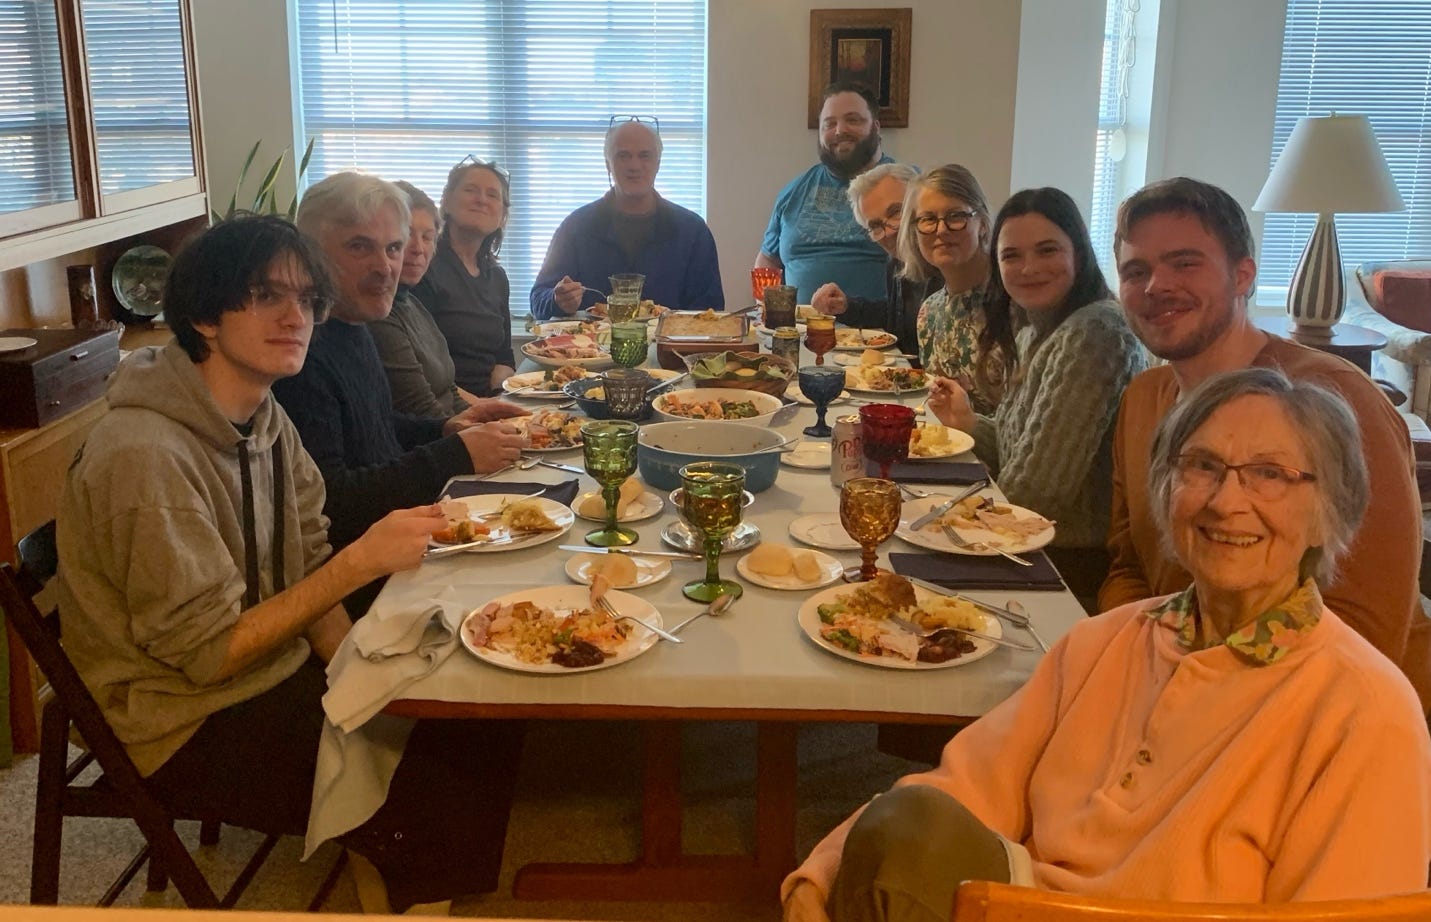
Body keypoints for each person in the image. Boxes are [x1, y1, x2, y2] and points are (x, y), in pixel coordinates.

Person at [783, 369, 1431, 922]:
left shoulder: (1364, 712)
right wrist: (824, 872)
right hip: (1021, 900)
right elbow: (966, 785)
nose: (1226, 501)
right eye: (1202, 466)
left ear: (1329, 511)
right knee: (909, 825)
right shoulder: (1103, 643)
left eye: (1269, 474)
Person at [54, 215, 525, 913]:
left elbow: (305, 560)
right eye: (265, 295)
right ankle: (407, 879)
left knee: (475, 708)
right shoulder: (145, 457)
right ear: (205, 317)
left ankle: (405, 874)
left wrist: (357, 673)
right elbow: (207, 656)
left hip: (270, 664)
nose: (294, 317)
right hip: (180, 718)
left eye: (305, 299)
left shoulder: (265, 418)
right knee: (439, 771)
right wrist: (358, 564)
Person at [1098, 177, 1431, 711]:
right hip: (1166, 687)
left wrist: (1200, 695)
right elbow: (1128, 567)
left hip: (1328, 717)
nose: (1157, 285)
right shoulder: (1142, 399)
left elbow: (1371, 622)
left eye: (1185, 263)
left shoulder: (1335, 401)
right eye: (1136, 271)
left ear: (1244, 275)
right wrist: (1142, 664)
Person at [273, 171, 527, 556]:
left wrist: (444, 428)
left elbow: (374, 428)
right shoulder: (299, 354)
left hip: (401, 536)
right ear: (311, 255)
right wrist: (454, 453)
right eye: (359, 247)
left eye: (393, 248)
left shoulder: (354, 324)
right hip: (367, 566)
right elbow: (332, 500)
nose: (385, 267)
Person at [927, 188, 1146, 606]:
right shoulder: (1035, 328)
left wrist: (945, 517)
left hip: (1067, 567)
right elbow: (1023, 451)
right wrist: (969, 423)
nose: (1029, 268)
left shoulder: (1095, 332)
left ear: (1078, 252)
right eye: (1011, 256)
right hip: (1031, 544)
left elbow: (1035, 496)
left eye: (1048, 250)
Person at [530, 117, 724, 318]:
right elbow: (538, 299)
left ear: (658, 164)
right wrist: (557, 301)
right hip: (591, 339)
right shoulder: (576, 227)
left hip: (669, 339)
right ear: (608, 164)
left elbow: (710, 312)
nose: (634, 165)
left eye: (644, 155)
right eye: (623, 156)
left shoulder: (692, 231)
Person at [757, 82, 894, 303]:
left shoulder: (906, 187)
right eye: (829, 124)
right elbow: (768, 261)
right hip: (799, 324)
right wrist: (769, 312)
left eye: (853, 120)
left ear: (876, 127)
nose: (840, 130)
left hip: (879, 324)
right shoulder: (793, 193)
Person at [897, 164, 1001, 414]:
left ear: (982, 223)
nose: (941, 230)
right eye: (928, 219)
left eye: (956, 216)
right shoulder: (929, 313)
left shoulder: (1015, 302)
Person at [809, 162, 940, 359]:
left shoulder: (949, 265)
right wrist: (846, 306)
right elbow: (896, 318)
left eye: (896, 212)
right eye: (876, 225)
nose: (889, 231)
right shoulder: (896, 263)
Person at [410, 158, 518, 396]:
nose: (481, 200)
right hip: (442, 406)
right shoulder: (422, 268)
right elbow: (420, 372)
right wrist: (482, 408)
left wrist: (499, 396)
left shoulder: (498, 277)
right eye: (471, 190)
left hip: (490, 402)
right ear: (446, 201)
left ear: (502, 215)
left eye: (492, 195)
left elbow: (504, 357)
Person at [370, 180, 466, 416]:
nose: (418, 248)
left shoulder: (413, 303)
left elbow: (449, 392)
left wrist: (495, 418)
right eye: (407, 235)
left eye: (427, 237)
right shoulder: (380, 314)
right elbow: (423, 412)